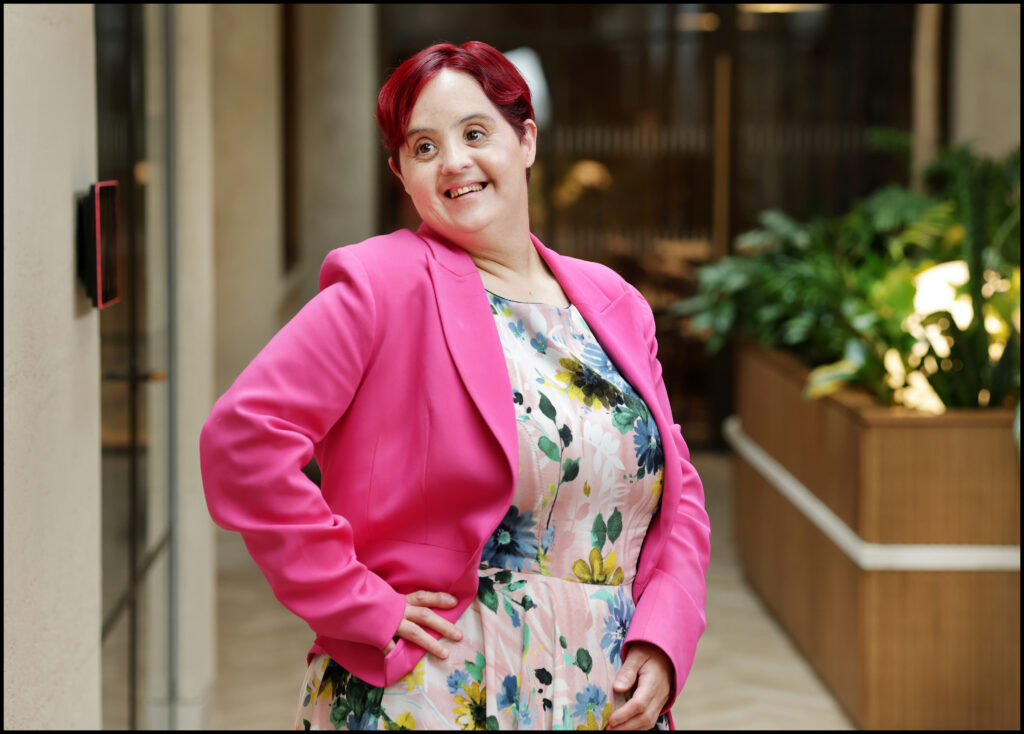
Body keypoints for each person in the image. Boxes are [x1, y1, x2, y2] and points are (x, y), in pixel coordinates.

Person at [200, 40, 710, 731]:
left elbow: (678, 489)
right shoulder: (380, 285)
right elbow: (242, 442)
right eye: (424, 147)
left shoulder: (613, 301)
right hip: (438, 690)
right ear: (401, 173)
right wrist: (355, 600)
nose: (454, 163)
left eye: (475, 133)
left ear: (525, 141)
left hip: (600, 691)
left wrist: (664, 634)